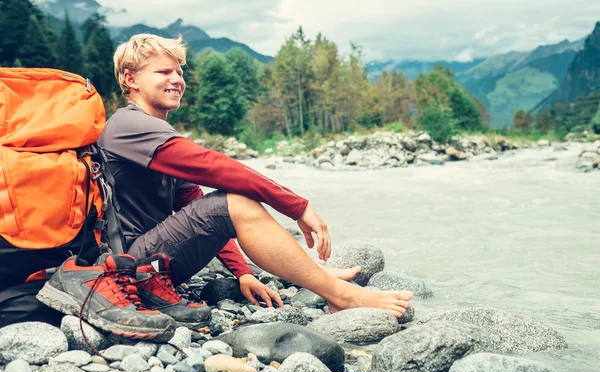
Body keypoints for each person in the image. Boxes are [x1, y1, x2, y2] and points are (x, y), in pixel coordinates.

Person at [37, 34, 413, 339]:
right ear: (131, 80)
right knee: (238, 199)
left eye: (180, 70)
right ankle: (341, 296)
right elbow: (214, 169)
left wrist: (242, 272)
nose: (177, 79)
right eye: (163, 71)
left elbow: (195, 204)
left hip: (152, 272)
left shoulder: (157, 133)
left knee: (230, 203)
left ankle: (319, 281)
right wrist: (295, 205)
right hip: (125, 269)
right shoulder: (126, 126)